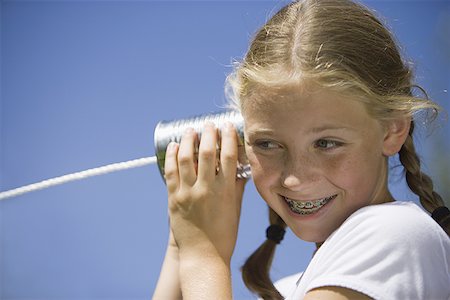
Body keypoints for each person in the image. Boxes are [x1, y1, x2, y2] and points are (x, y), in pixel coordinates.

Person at [153, 0, 450, 299]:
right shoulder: (293, 288)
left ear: (393, 129)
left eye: (326, 143)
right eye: (267, 144)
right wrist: (183, 241)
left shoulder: (395, 236)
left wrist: (204, 256)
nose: (294, 179)